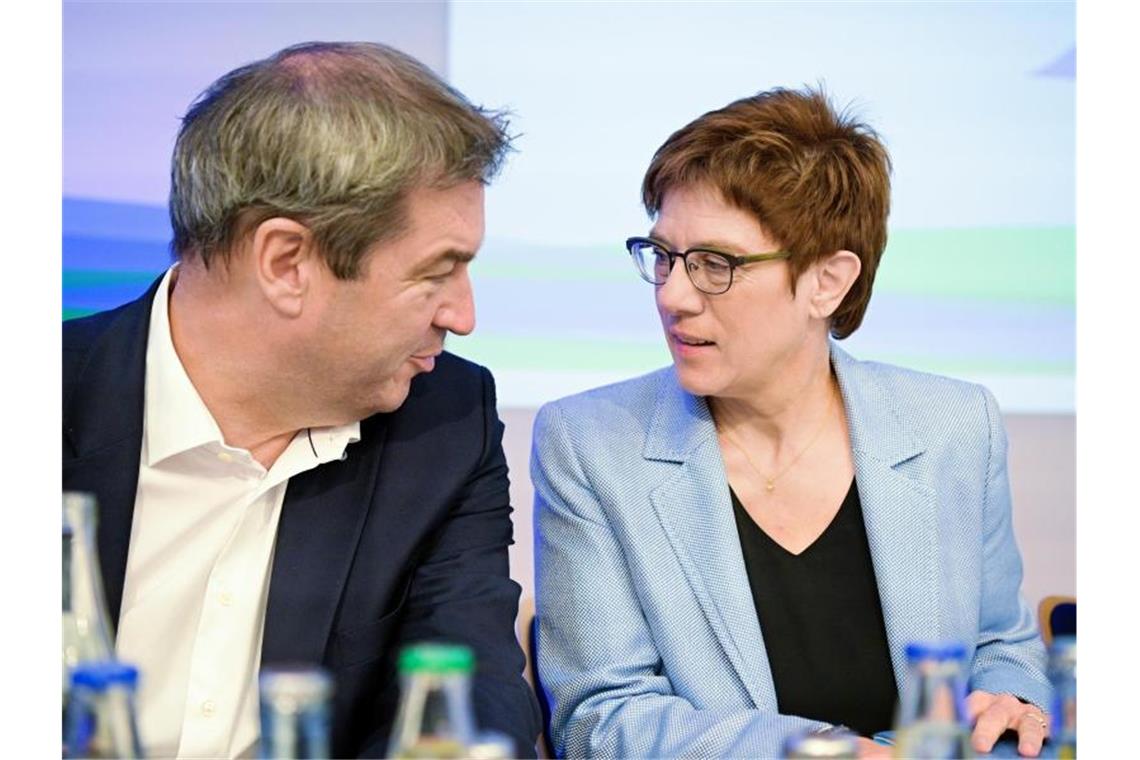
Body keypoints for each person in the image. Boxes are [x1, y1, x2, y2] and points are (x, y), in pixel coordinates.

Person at [531, 86, 1052, 759]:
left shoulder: (954, 426)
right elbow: (600, 719)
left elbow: (998, 644)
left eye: (715, 265)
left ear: (827, 283)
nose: (673, 295)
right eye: (662, 256)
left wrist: (1013, 702)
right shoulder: (591, 444)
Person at [62, 41, 540, 759]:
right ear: (286, 263)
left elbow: (467, 705)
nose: (462, 315)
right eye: (436, 272)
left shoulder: (444, 422)